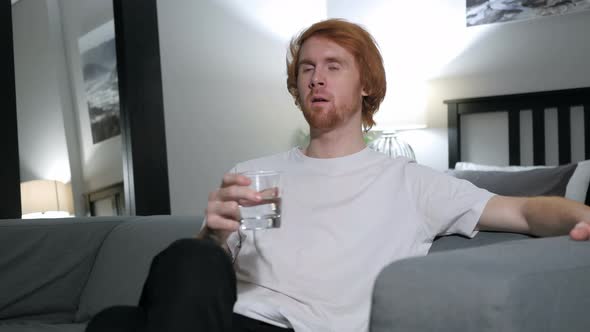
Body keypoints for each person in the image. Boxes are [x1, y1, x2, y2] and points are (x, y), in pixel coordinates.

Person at [87, 18, 590, 332]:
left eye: (333, 65)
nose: (316, 78)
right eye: (306, 68)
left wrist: (585, 216)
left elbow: (525, 209)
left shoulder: (411, 182)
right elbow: (200, 281)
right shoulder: (253, 174)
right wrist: (212, 235)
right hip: (231, 318)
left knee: (115, 325)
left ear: (367, 84)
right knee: (185, 259)